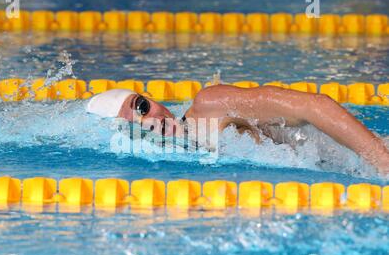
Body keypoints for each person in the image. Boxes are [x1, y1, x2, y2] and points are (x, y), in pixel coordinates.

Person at [86, 85, 389, 175]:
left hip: (369, 158)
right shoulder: (185, 165)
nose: (148, 120)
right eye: (131, 125)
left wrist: (383, 162)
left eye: (140, 107)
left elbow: (316, 106)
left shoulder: (210, 105)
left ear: (151, 99)